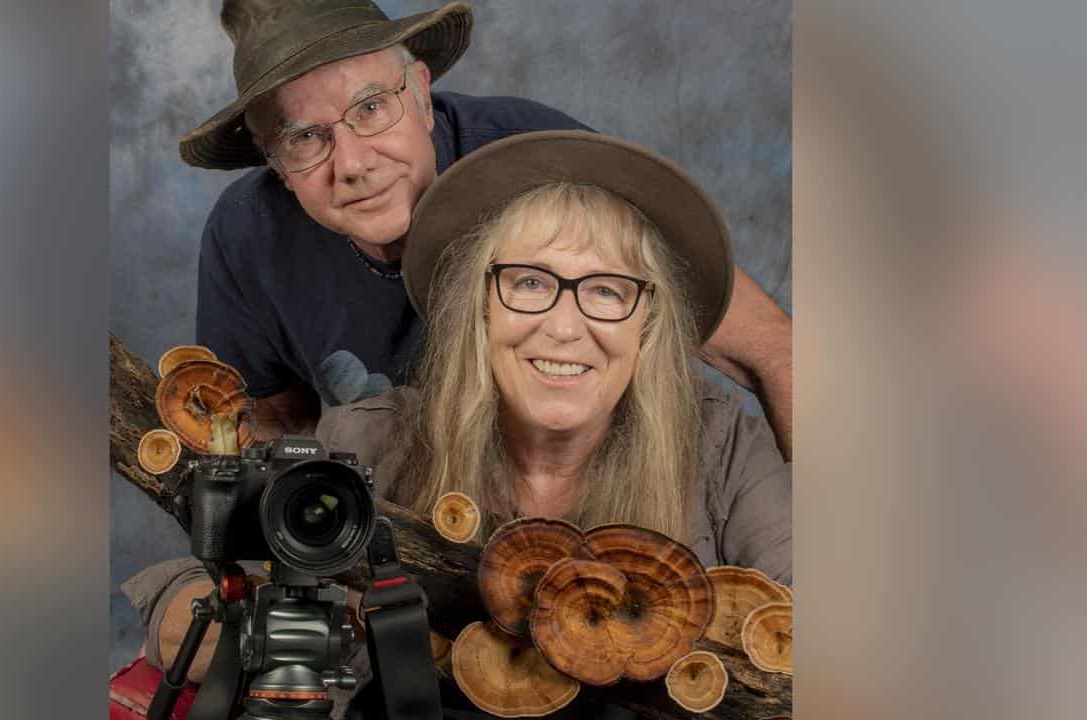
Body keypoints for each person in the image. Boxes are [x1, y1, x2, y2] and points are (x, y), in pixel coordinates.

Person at [125, 131, 789, 718]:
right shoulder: (368, 440)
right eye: (528, 283)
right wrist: (220, 615)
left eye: (606, 290)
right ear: (477, 309)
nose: (564, 326)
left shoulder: (726, 445)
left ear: (647, 324)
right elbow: (189, 595)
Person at [182, 0, 794, 458]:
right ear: (273, 161)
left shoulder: (540, 162)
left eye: (371, 108)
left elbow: (776, 351)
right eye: (304, 137)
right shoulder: (248, 239)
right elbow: (272, 420)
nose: (353, 164)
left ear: (421, 93)